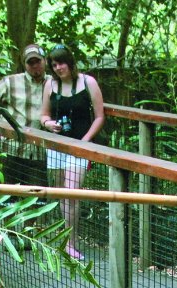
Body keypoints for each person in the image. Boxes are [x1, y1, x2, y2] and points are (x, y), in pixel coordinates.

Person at [40, 44, 106, 260]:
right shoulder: (50, 84)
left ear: (70, 62)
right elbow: (43, 116)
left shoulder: (88, 82)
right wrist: (49, 125)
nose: (59, 67)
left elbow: (99, 116)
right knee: (62, 194)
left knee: (72, 193)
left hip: (80, 147)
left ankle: (71, 242)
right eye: (54, 64)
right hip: (57, 146)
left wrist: (85, 141)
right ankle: (67, 240)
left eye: (61, 62)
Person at [0, 43, 49, 187]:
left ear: (45, 60)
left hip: (38, 152)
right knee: (6, 197)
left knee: (37, 200)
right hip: (9, 148)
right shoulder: (11, 81)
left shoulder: (53, 83)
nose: (35, 65)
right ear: (24, 64)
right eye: (30, 62)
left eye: (38, 61)